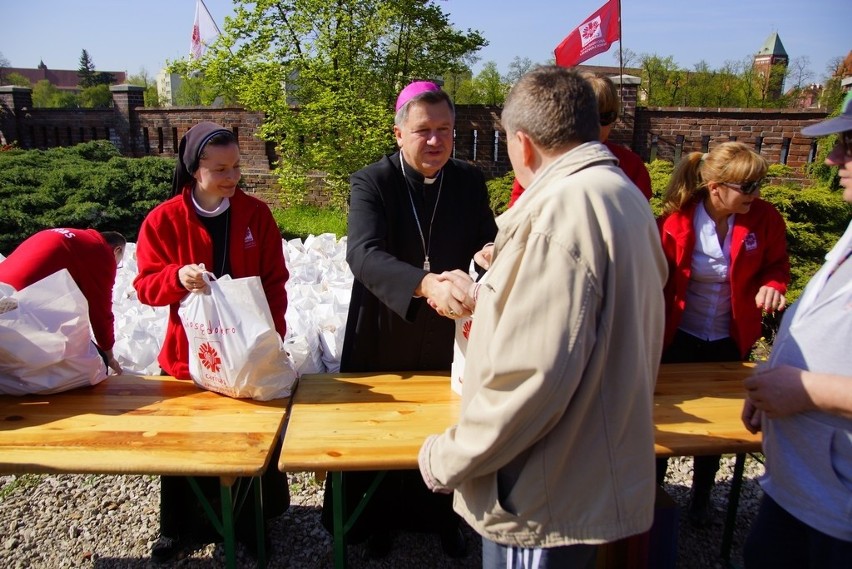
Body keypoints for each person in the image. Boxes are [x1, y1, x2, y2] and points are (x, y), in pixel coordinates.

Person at [418, 66, 667, 568]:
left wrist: (444, 459)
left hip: (539, 491)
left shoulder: (559, 217)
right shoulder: (622, 196)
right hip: (584, 467)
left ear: (524, 144)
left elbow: (531, 382)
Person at [320, 81, 498, 558]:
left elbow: (486, 238)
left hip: (447, 328)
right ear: (398, 133)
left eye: (445, 130)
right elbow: (362, 253)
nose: (436, 141)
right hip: (386, 327)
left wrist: (488, 253)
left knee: (445, 423)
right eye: (424, 131)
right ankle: (376, 520)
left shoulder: (467, 180)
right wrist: (425, 284)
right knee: (380, 428)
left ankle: (441, 518)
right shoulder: (372, 181)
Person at [133, 122, 290, 562]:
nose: (232, 178)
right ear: (193, 168)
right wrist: (175, 278)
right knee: (186, 445)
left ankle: (249, 524)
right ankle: (179, 528)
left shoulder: (256, 214)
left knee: (246, 441)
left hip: (247, 353)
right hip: (189, 358)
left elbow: (276, 279)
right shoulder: (163, 220)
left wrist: (272, 333)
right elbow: (145, 286)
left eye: (236, 167)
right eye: (220, 169)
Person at [741, 92, 852, 569]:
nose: (833, 158)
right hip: (804, 493)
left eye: (849, 144)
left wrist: (806, 389)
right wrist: (772, 378)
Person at [655, 141, 790, 526]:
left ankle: (701, 499)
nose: (756, 194)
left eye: (759, 184)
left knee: (718, 423)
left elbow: (777, 264)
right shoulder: (675, 221)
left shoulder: (765, 219)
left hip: (729, 339)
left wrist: (775, 285)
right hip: (676, 338)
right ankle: (655, 497)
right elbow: (652, 278)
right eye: (747, 187)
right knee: (667, 417)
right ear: (715, 186)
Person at [506, 70, 652, 208]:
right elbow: (518, 214)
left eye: (605, 117)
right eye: (586, 117)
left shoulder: (632, 166)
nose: (596, 127)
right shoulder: (541, 159)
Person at [0, 227, 125, 374]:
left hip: (5, 294)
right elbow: (101, 311)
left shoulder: (72, 237)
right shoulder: (101, 252)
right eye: (119, 263)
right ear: (116, 251)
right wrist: (108, 355)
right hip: (18, 305)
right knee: (95, 362)